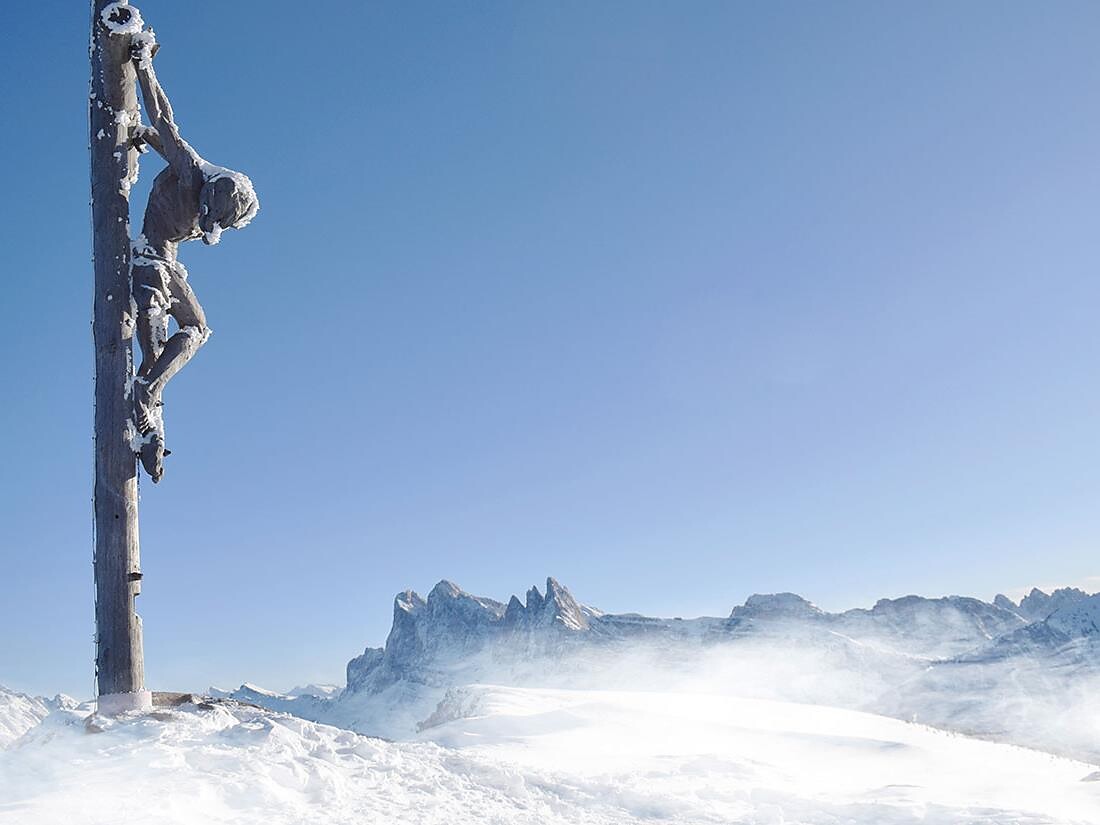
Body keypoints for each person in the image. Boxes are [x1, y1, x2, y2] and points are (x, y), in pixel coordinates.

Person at [127, 30, 259, 482]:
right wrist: (143, 64)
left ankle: (148, 397)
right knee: (151, 351)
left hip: (167, 266)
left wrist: (145, 137)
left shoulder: (203, 190)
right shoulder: (191, 171)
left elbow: (157, 135)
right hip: (148, 261)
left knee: (197, 328)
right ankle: (145, 411)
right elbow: (163, 117)